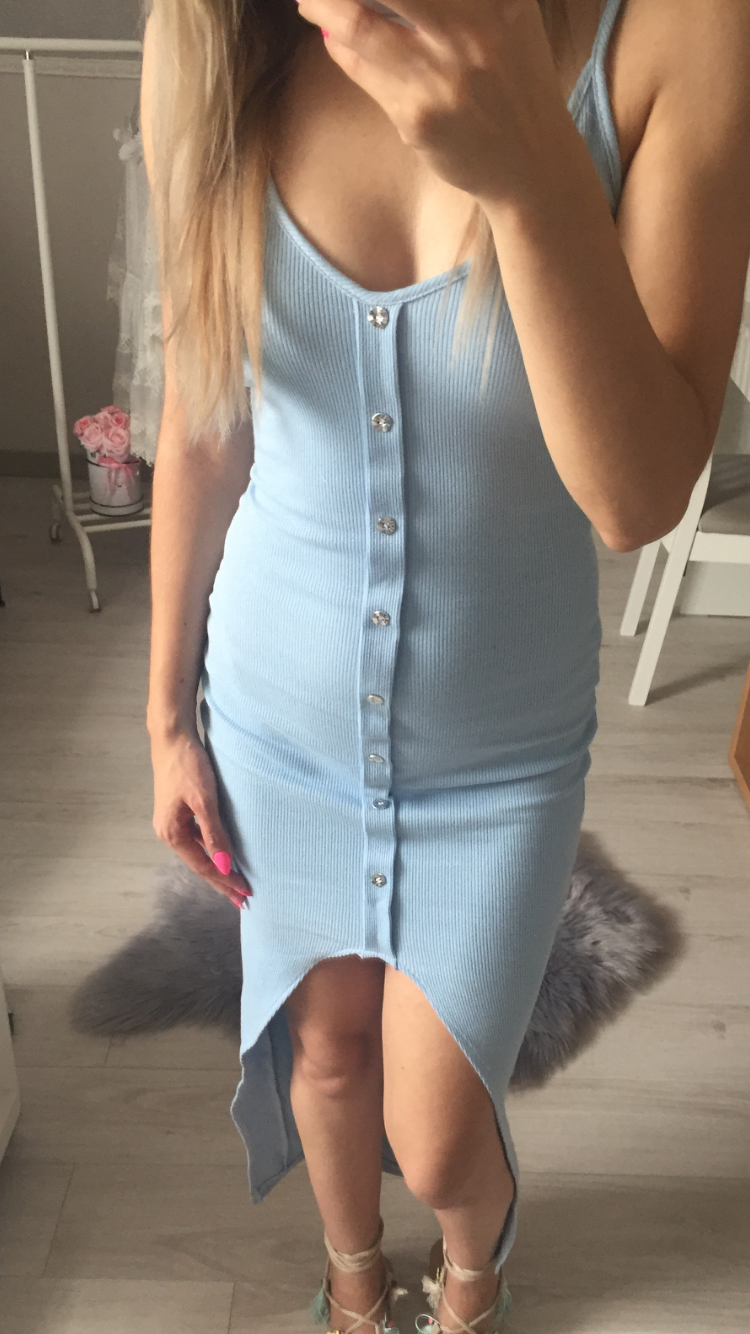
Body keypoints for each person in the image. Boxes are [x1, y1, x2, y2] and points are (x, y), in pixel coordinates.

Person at [142, 1, 750, 1331]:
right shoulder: (213, 35)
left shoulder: (681, 30)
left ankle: (472, 1275)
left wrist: (529, 167)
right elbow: (198, 426)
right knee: (323, 1055)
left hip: (499, 750)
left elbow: (638, 495)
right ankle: (352, 1282)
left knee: (436, 1130)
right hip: (272, 718)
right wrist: (166, 719)